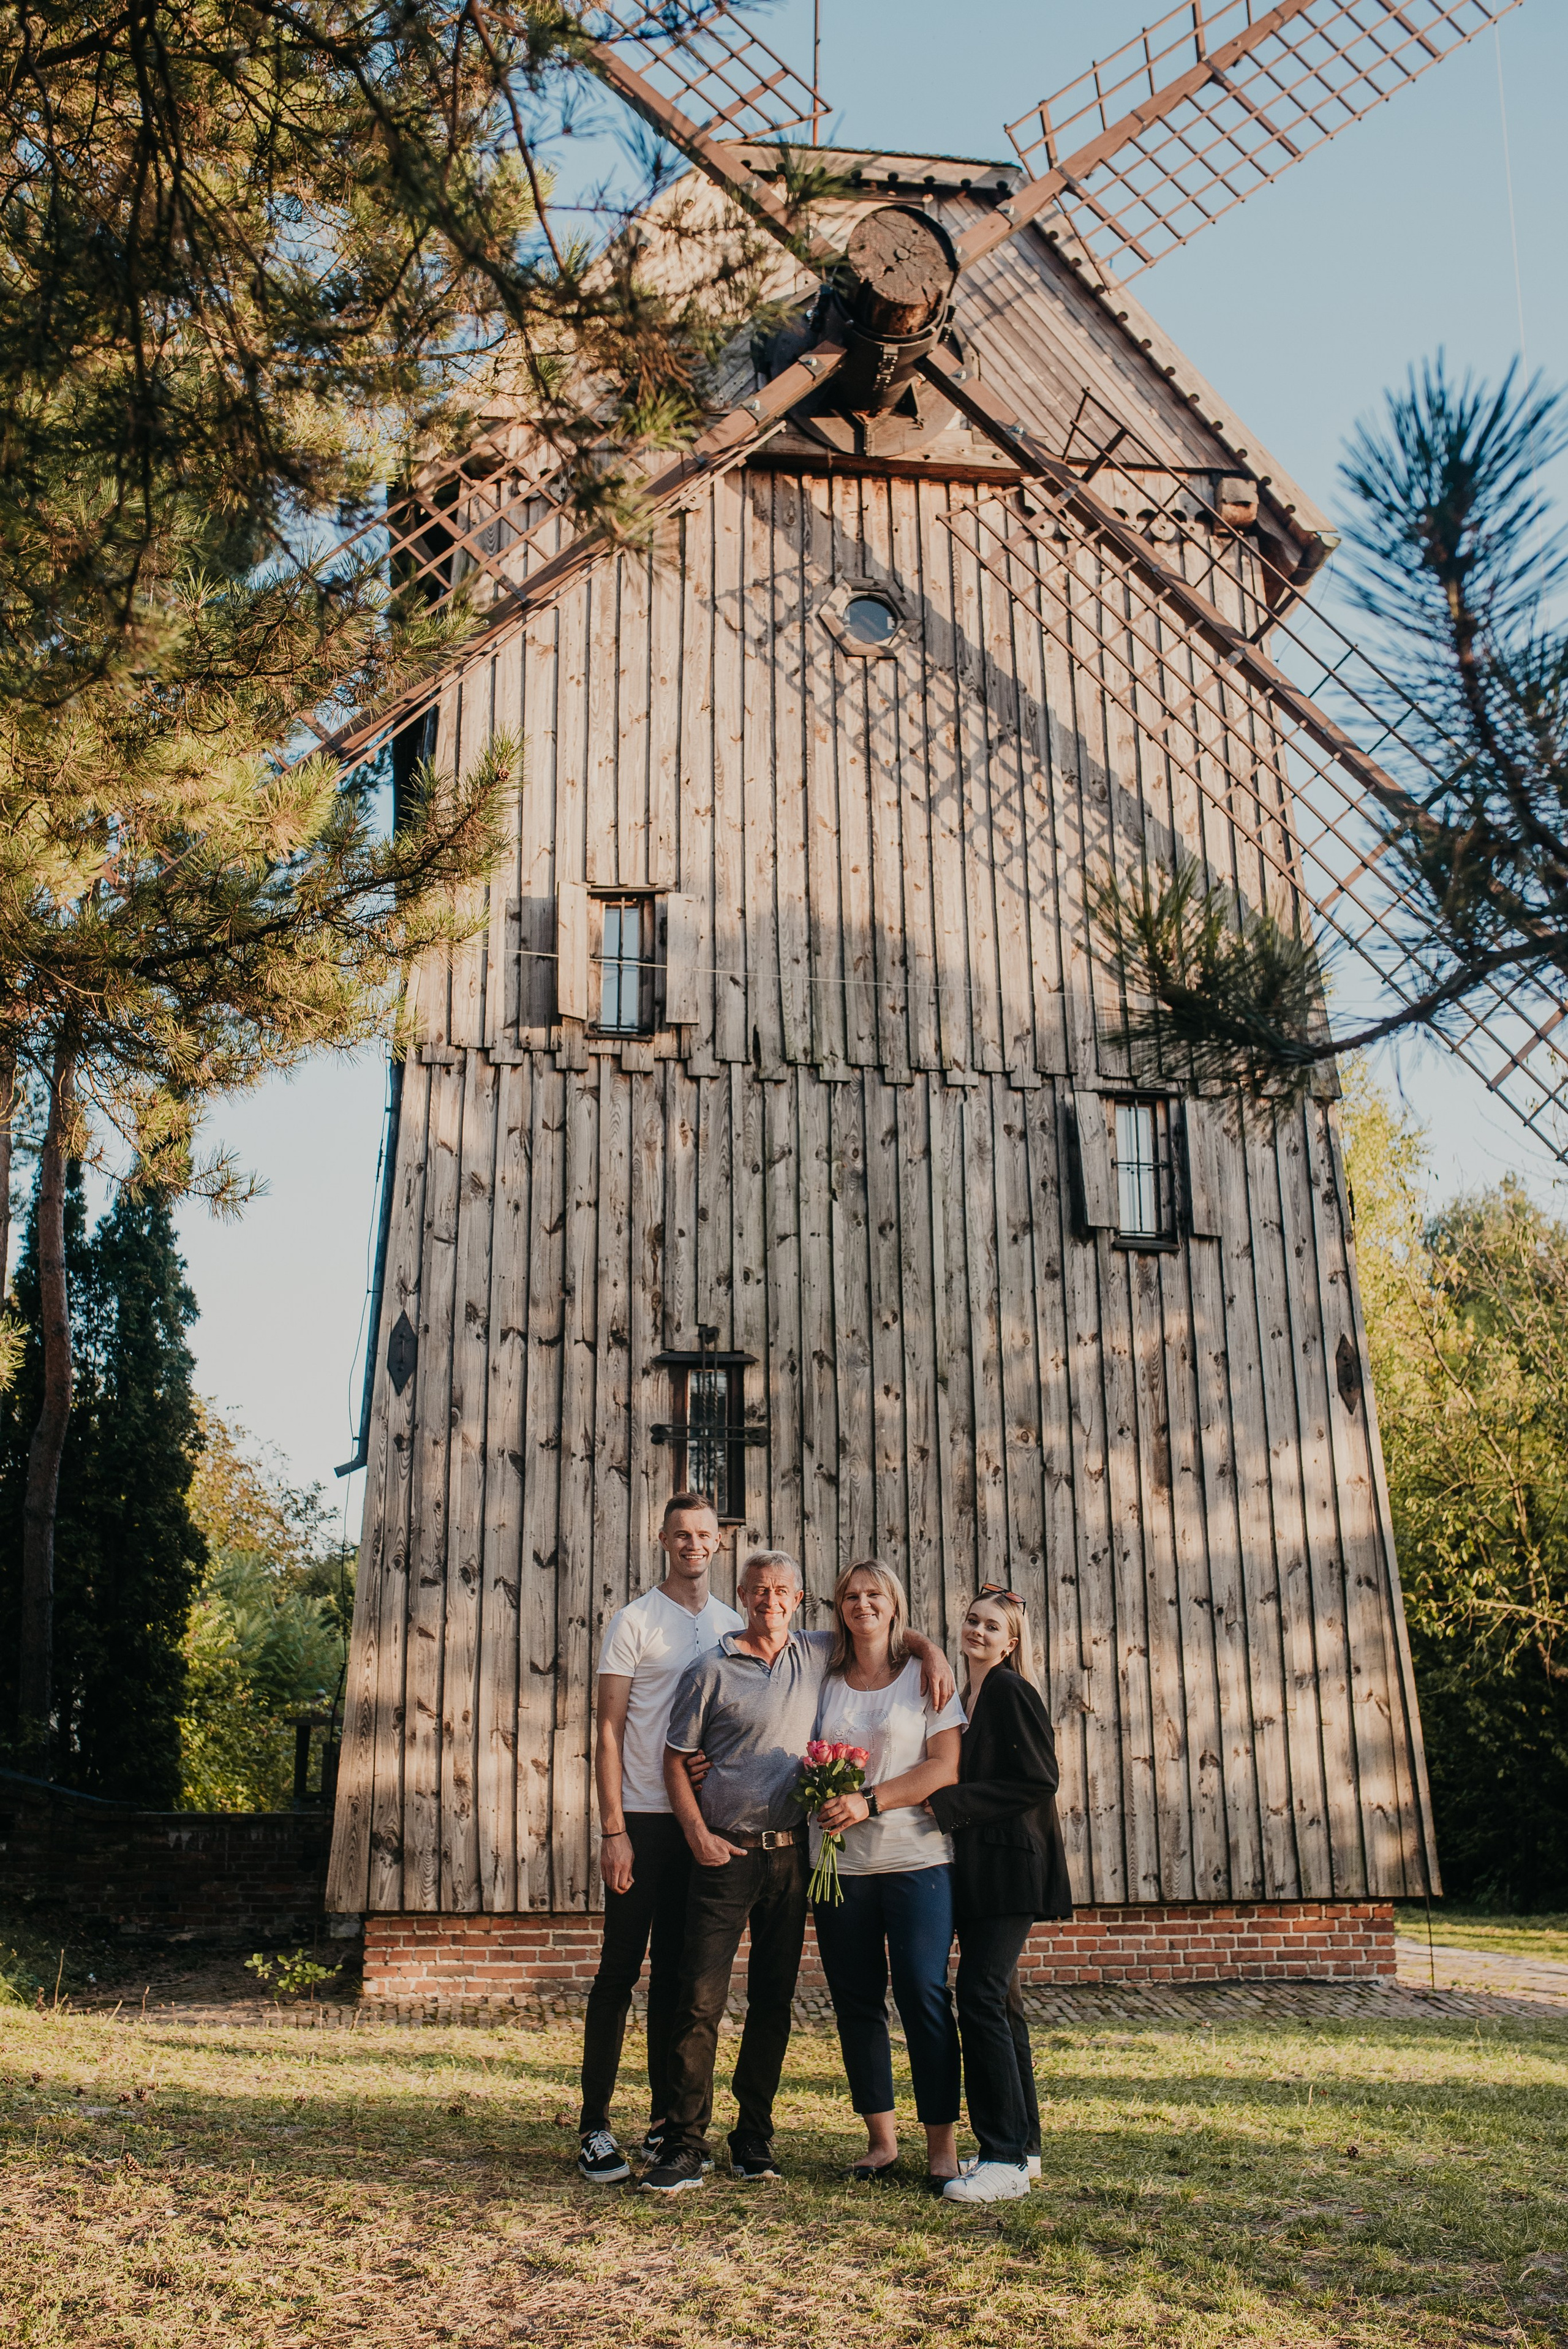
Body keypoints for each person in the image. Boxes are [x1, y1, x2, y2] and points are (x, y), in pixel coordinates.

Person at [640, 1550, 955, 2195]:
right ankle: (683, 2142)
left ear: (799, 1597)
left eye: (783, 1590)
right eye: (760, 1590)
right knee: (699, 1997)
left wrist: (932, 1651)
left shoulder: (814, 1652)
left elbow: (885, 1626)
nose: (771, 1599)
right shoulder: (713, 1669)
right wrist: (696, 1832)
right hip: (725, 1853)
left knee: (774, 2004)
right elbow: (676, 1758)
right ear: (743, 1594)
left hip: (794, 1856)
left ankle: (753, 2136)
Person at [575, 1491, 741, 2184]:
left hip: (699, 1823)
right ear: (663, 1539)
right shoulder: (634, 1621)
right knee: (620, 1972)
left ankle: (663, 2122)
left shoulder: (734, 1624)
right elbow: (609, 1727)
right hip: (640, 1818)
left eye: (703, 1534)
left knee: (678, 1976)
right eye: (681, 1534)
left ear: (719, 1543)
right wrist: (613, 1828)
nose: (692, 1544)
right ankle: (592, 2127)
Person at [809, 1558, 967, 2192]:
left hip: (916, 1860)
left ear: (894, 1603)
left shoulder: (926, 1679)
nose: (862, 1603)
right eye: (851, 1594)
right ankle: (879, 2140)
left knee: (924, 1996)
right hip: (841, 1868)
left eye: (875, 1594)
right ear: (838, 1605)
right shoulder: (823, 1675)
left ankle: (942, 2146)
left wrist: (868, 1801)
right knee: (855, 2002)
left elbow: (944, 1767)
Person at [927, 1584, 1072, 2204]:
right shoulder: (966, 1696)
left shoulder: (1011, 1690)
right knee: (1003, 2003)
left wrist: (952, 1803)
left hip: (1012, 1867)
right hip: (979, 1870)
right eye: (972, 1621)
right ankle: (1026, 2147)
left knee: (979, 1995)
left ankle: (1002, 2156)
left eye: (992, 1627)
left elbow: (1039, 1778)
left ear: (1011, 1642)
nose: (978, 1632)